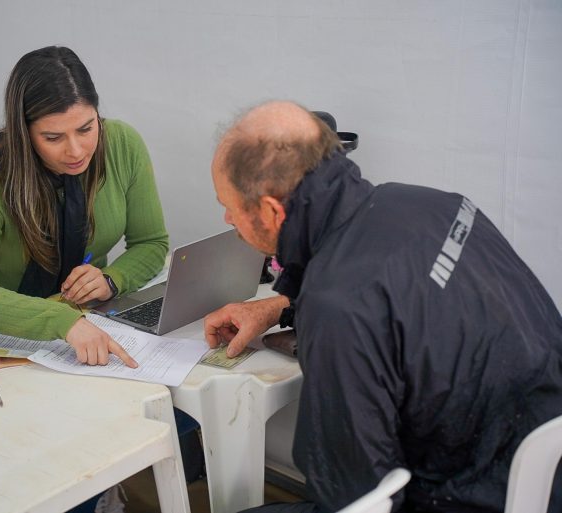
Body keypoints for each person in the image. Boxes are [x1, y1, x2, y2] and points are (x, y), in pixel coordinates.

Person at [205, 100, 562, 512]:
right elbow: (403, 303)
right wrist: (281, 308)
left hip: (471, 494)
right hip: (542, 465)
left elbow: (354, 494)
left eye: (228, 205)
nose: (227, 218)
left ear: (270, 210)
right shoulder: (433, 204)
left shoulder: (338, 305)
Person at [0, 46, 169, 367]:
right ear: (24, 134)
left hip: (93, 319)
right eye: (53, 137)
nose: (75, 151)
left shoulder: (122, 145)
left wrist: (111, 280)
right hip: (10, 337)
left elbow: (151, 242)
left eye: (86, 128)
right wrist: (63, 321)